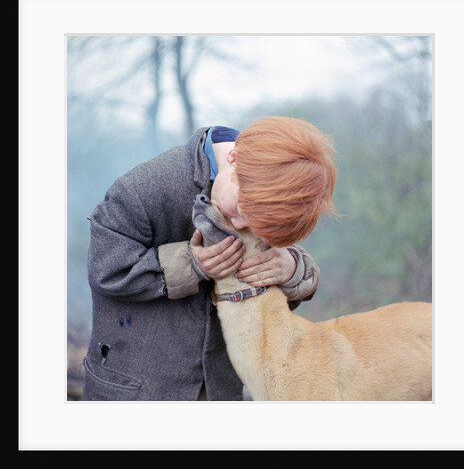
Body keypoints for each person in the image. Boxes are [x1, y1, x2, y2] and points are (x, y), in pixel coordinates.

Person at [82, 116, 335, 401]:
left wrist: (293, 269)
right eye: (240, 209)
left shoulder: (270, 193)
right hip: (134, 395)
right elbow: (105, 268)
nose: (240, 226)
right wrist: (191, 265)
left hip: (220, 395)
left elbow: (265, 292)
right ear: (234, 157)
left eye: (254, 224)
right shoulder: (140, 190)